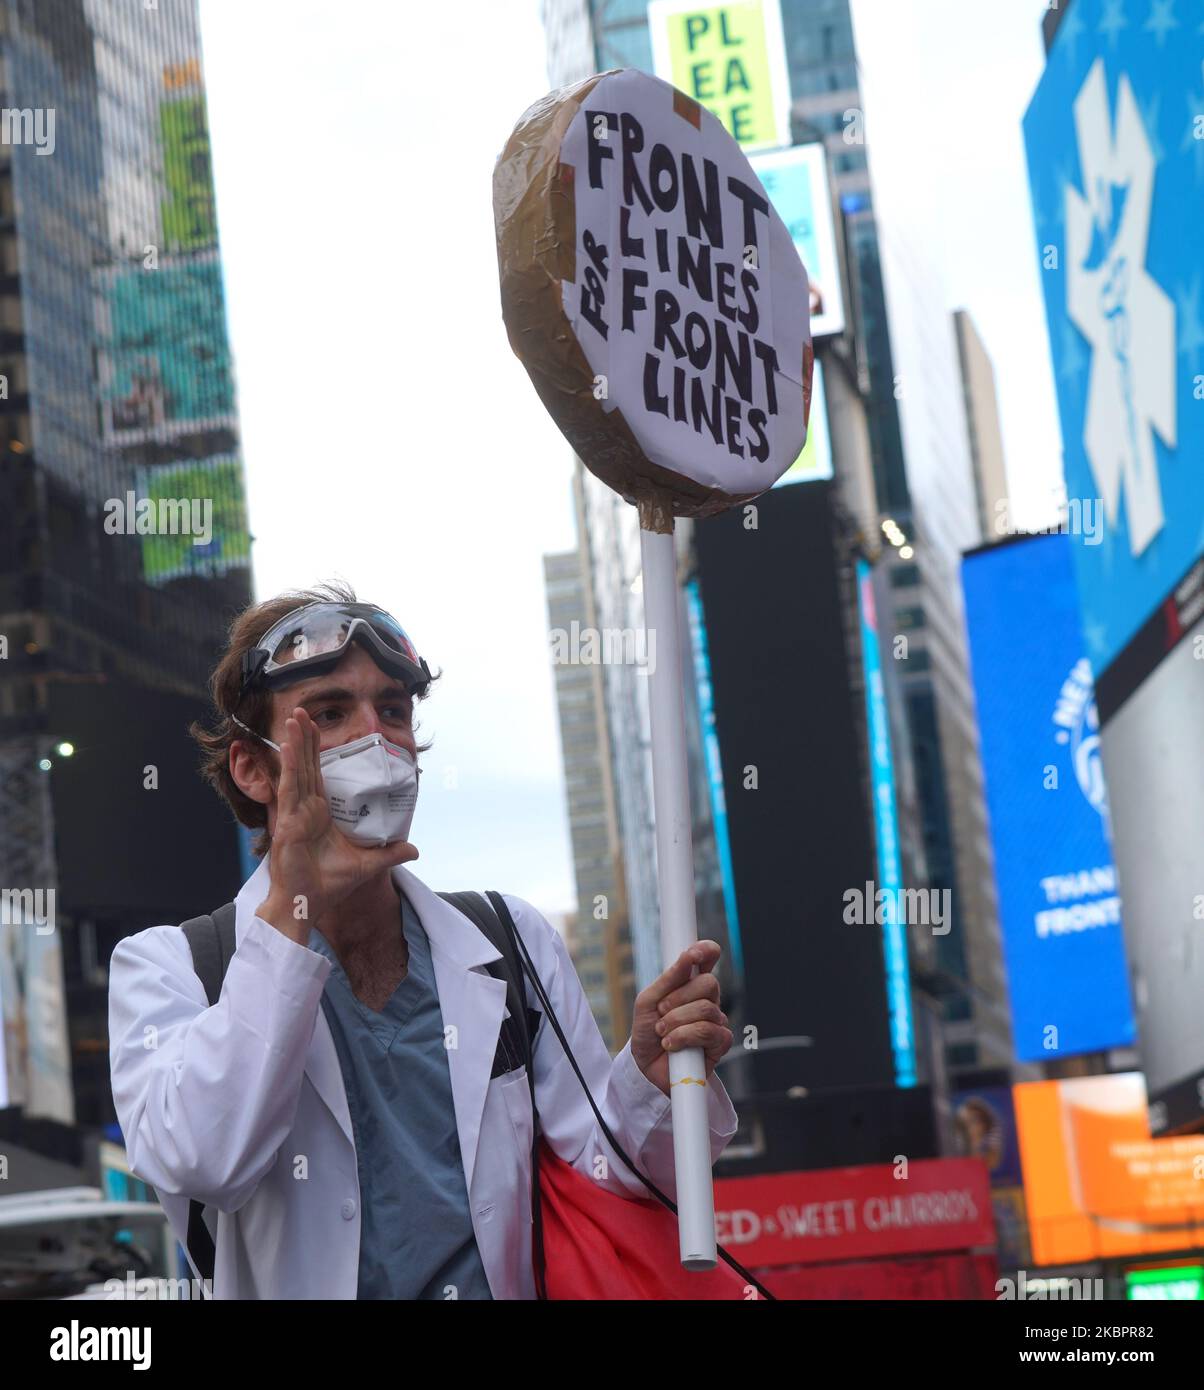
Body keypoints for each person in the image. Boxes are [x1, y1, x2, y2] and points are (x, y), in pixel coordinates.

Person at [108, 584, 738, 1299]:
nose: (373, 737)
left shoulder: (508, 940)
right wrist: (292, 906)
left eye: (394, 710)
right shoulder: (171, 968)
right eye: (329, 714)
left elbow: (610, 1170)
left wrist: (650, 1083)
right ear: (253, 769)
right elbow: (204, 1159)